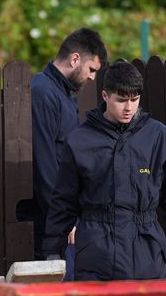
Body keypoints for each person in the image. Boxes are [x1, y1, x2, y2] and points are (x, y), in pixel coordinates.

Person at [42, 61, 166, 281]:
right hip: (97, 255)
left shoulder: (158, 136)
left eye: (134, 99)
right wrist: (53, 249)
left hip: (147, 253)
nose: (129, 107)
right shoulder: (80, 140)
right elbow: (63, 200)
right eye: (121, 100)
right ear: (105, 96)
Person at [26, 28, 106, 278]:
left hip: (65, 216)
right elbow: (46, 162)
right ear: (74, 59)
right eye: (91, 69)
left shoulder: (61, 93)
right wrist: (62, 219)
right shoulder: (43, 90)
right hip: (52, 221)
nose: (93, 78)